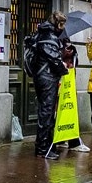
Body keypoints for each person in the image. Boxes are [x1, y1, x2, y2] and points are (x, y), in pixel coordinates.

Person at [29, 11, 68, 159]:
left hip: (41, 77)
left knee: (46, 112)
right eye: (62, 25)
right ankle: (43, 148)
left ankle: (45, 146)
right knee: (47, 112)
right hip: (47, 78)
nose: (63, 28)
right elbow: (55, 60)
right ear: (57, 23)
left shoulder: (41, 34)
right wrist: (64, 68)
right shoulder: (49, 37)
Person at [54, 37, 91, 153]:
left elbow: (75, 64)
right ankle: (71, 141)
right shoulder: (55, 46)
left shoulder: (66, 47)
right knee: (63, 112)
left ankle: (62, 139)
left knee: (65, 111)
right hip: (60, 84)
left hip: (66, 84)